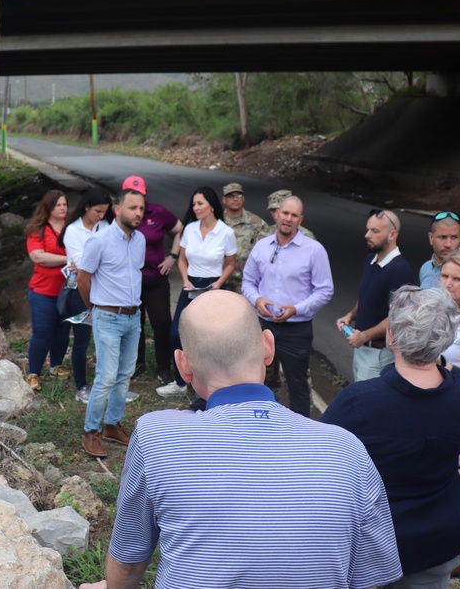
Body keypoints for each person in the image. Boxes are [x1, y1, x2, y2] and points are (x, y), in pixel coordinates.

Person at [78, 290, 402, 589]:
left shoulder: (155, 437)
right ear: (268, 347)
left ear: (183, 366)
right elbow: (371, 578)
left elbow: (128, 565)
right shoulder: (347, 449)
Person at [321, 286, 460, 589]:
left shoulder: (360, 402)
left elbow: (320, 461)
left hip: (374, 546)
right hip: (438, 543)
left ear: (392, 337)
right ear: (446, 339)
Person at [241, 195, 333, 417]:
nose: (288, 219)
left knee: (297, 384)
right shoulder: (262, 247)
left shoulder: (314, 250)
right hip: (264, 326)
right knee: (259, 380)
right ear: (277, 214)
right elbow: (248, 282)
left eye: (294, 215)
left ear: (300, 219)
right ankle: (262, 425)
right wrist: (257, 300)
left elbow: (325, 290)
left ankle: (299, 433)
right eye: (285, 213)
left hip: (296, 330)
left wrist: (297, 309)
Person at [78, 187, 146, 460]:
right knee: (105, 376)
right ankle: (90, 431)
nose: (138, 213)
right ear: (118, 209)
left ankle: (112, 425)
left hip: (133, 316)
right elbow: (83, 279)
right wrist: (94, 309)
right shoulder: (100, 240)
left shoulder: (139, 239)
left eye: (141, 208)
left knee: (124, 375)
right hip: (107, 315)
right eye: (133, 208)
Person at [156, 186, 237, 398]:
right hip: (191, 286)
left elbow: (230, 263)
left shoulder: (226, 232)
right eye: (194, 204)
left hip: (213, 287)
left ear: (211, 205)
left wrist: (218, 283)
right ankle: (180, 382)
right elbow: (182, 259)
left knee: (210, 337)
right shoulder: (190, 229)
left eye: (200, 203)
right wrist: (185, 280)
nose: (196, 207)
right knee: (176, 334)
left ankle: (211, 383)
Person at [336, 208, 415, 382]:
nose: (367, 235)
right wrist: (350, 316)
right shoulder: (371, 259)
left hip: (379, 356)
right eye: (368, 229)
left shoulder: (400, 271)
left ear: (392, 234)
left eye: (375, 231)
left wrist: (364, 336)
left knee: (368, 406)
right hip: (362, 350)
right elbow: (367, 297)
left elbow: (398, 317)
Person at [122, 175, 183, 385]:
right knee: (133, 324)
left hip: (156, 279)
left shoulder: (157, 212)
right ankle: (137, 363)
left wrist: (172, 257)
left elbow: (179, 229)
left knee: (162, 323)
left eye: (140, 195)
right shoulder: (121, 216)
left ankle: (164, 368)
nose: (137, 204)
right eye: (132, 195)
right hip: (130, 281)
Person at [58, 187, 114, 404]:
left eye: (104, 212)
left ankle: (105, 384)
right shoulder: (73, 230)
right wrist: (102, 262)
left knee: (104, 338)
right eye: (97, 211)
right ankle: (81, 385)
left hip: (104, 289)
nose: (100, 216)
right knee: (81, 340)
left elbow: (108, 255)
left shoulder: (106, 225)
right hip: (80, 291)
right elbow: (81, 263)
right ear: (87, 207)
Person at [24, 189, 71, 390]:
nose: (62, 208)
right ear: (49, 207)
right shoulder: (38, 229)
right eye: (58, 205)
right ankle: (33, 373)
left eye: (64, 204)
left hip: (67, 290)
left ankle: (56, 366)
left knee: (62, 332)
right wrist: (68, 260)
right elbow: (38, 256)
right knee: (42, 334)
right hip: (43, 292)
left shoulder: (73, 227)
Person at [220, 181, 270, 287]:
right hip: (219, 280)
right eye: (230, 196)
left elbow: (266, 253)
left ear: (243, 199)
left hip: (245, 283)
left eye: (239, 195)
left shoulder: (257, 224)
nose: (235, 199)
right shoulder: (217, 222)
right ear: (224, 200)